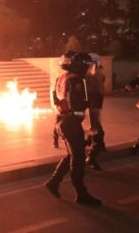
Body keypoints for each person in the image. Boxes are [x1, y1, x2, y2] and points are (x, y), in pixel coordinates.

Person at [44, 53, 102, 206]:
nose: (89, 69)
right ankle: (81, 194)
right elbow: (76, 104)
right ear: (81, 66)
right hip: (71, 123)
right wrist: (89, 102)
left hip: (63, 121)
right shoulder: (76, 80)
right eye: (88, 66)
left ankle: (54, 182)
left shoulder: (62, 78)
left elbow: (55, 98)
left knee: (72, 155)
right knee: (78, 160)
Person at [85, 53, 106, 170]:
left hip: (94, 109)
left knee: (94, 134)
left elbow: (100, 92)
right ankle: (91, 158)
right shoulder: (88, 78)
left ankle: (90, 156)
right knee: (98, 135)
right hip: (91, 110)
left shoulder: (98, 76)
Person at [51, 51, 76, 149]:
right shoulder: (72, 78)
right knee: (66, 126)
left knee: (58, 123)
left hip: (60, 107)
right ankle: (61, 141)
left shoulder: (61, 77)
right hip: (67, 108)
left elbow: (54, 92)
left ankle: (55, 141)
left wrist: (57, 103)